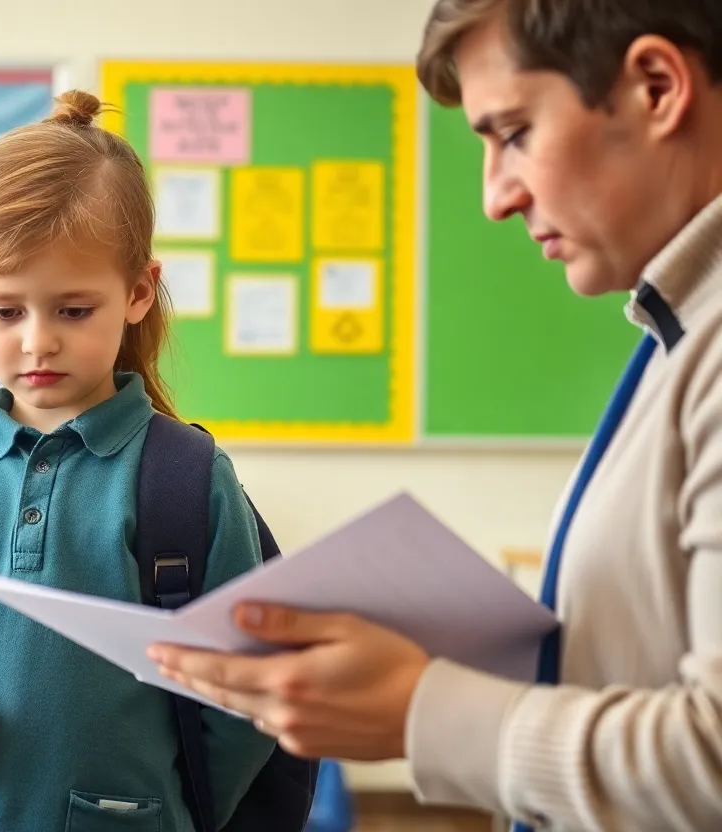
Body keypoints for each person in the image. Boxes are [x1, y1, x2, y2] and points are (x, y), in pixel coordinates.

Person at [146, 1, 722, 830]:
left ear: (657, 87)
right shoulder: (677, 332)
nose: (496, 196)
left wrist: (422, 709)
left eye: (515, 131)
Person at [0, 90, 275, 832]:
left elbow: (245, 696)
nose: (38, 342)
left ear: (139, 290)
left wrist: (167, 814)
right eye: (7, 310)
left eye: (73, 310)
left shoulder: (186, 478)